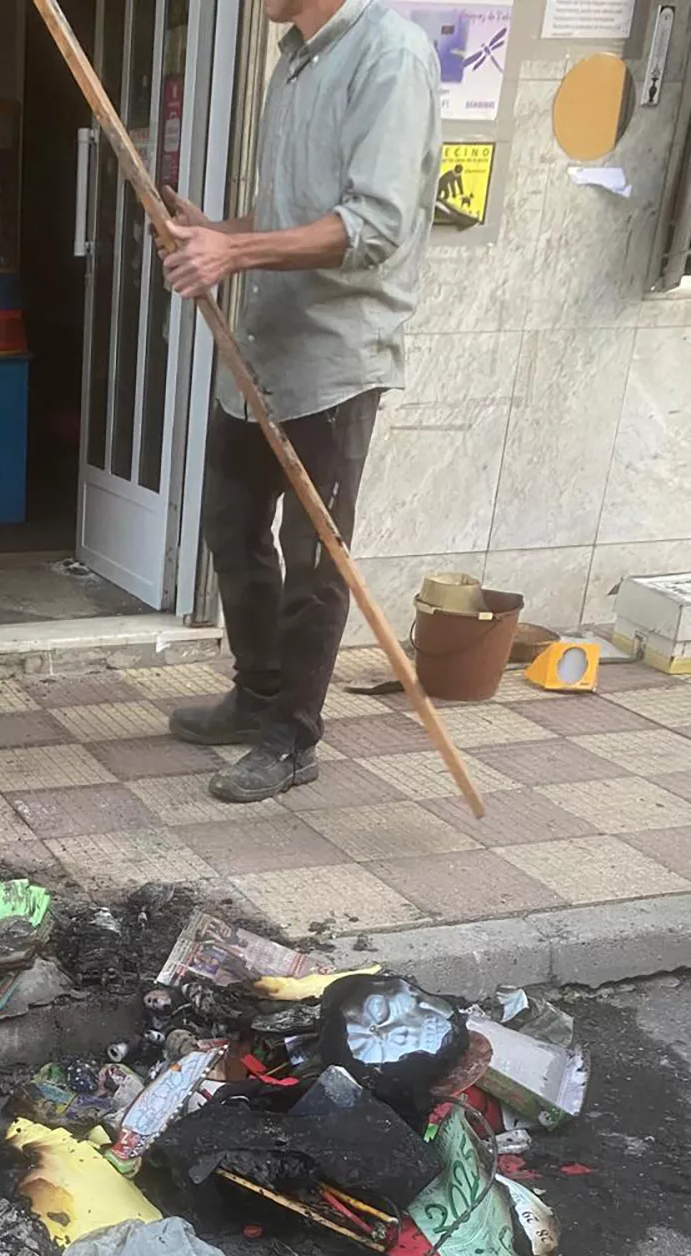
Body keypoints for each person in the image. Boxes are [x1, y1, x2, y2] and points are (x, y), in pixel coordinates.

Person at [159, 0, 441, 803]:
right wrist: (216, 232)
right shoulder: (292, 60)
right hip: (266, 350)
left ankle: (292, 737)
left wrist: (235, 252)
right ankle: (257, 693)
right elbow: (295, 219)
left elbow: (374, 226)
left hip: (336, 358)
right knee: (230, 522)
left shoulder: (391, 55)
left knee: (316, 556)